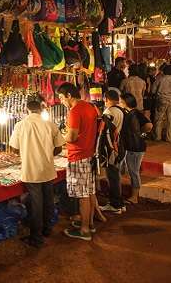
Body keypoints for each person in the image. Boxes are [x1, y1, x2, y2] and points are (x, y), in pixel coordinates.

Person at [9, 97, 65, 248]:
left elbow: (14, 148)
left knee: (36, 204)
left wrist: (26, 152)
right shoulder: (50, 124)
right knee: (48, 200)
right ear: (41, 109)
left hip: (31, 170)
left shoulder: (21, 125)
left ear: (27, 110)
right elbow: (59, 146)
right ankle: (47, 229)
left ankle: (36, 237)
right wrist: (47, 154)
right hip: (47, 168)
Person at [57, 83, 99, 241]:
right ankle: (89, 223)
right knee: (87, 192)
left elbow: (72, 137)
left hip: (78, 156)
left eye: (61, 98)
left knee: (82, 195)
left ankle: (84, 230)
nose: (61, 101)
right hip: (88, 154)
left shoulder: (74, 111)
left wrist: (60, 137)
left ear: (69, 95)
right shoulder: (89, 107)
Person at [120, 93, 153, 204]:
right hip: (133, 146)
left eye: (121, 101)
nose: (119, 103)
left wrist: (140, 133)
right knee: (131, 170)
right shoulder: (131, 113)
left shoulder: (135, 114)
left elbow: (149, 126)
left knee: (133, 171)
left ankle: (134, 197)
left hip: (135, 147)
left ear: (125, 103)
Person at [98, 90, 125, 214]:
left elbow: (105, 133)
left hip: (110, 148)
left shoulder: (108, 112)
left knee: (112, 176)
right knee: (115, 176)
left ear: (106, 99)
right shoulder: (120, 111)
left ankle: (115, 205)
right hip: (118, 146)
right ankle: (119, 203)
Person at [151, 64, 171, 142]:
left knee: (159, 119)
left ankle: (157, 137)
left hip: (161, 101)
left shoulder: (159, 79)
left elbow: (153, 91)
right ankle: (170, 137)